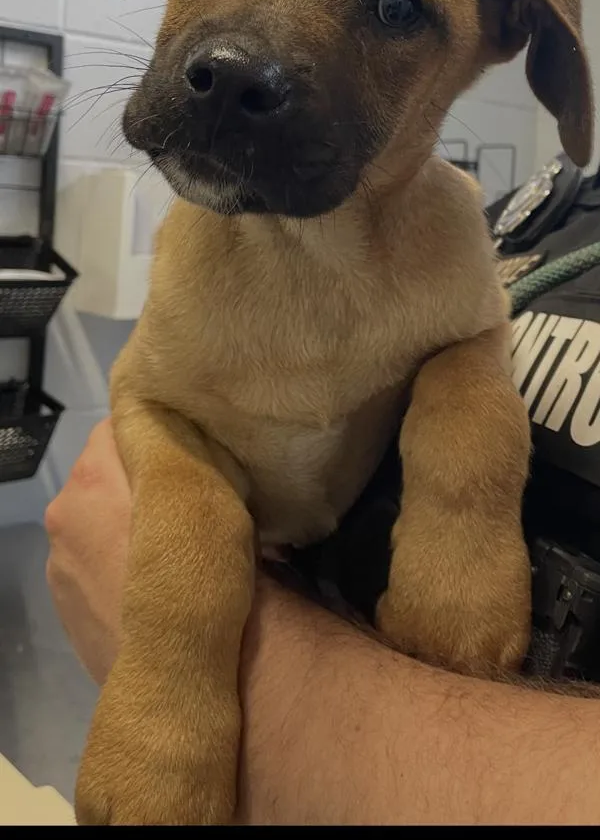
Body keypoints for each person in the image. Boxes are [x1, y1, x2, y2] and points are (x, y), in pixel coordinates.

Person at [46, 154, 600, 824]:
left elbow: (474, 333)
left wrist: (468, 478)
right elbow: (153, 400)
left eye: (395, 34)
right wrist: (182, 611)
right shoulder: (537, 212)